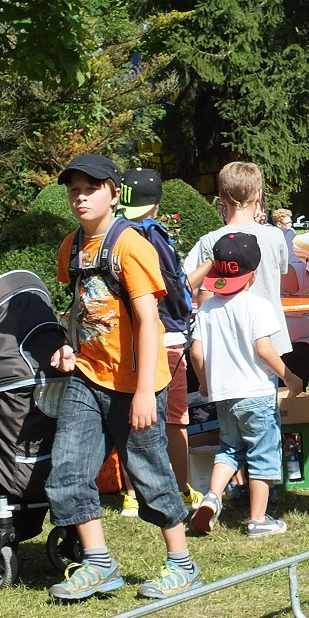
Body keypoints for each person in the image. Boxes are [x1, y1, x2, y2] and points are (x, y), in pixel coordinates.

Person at [45, 154, 201, 602]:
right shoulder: (71, 246)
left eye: (90, 188)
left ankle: (182, 565)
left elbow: (149, 321)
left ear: (115, 194)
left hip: (136, 386)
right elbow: (80, 305)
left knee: (150, 474)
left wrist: (144, 394)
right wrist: (67, 342)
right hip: (88, 378)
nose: (80, 197)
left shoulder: (131, 246)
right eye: (74, 189)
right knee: (67, 471)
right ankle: (99, 564)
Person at [189, 233, 302, 537]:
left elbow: (196, 352)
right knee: (262, 453)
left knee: (229, 449)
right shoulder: (257, 306)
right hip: (256, 394)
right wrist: (289, 377)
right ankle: (258, 519)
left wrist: (204, 382)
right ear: (252, 275)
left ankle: (213, 496)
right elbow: (264, 349)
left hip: (223, 395)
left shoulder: (209, 309)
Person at [115, 168, 203, 517]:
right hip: (164, 336)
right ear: (156, 205)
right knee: (175, 417)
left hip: (124, 340)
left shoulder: (113, 234)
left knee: (129, 418)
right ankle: (180, 491)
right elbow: (177, 291)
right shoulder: (155, 235)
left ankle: (130, 495)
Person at [184, 162, 292, 361]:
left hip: (226, 341)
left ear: (222, 197)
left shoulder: (210, 240)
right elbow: (283, 273)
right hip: (270, 339)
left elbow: (186, 283)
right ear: (258, 195)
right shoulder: (276, 237)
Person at [273, 208, 309, 389]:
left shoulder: (286, 237)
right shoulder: (217, 240)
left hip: (294, 340)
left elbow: (299, 283)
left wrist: (265, 259)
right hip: (249, 341)